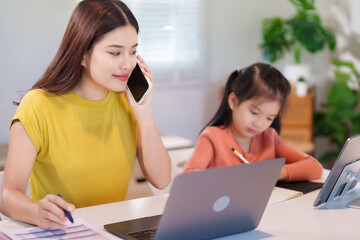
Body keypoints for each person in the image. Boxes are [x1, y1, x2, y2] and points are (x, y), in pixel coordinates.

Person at [0, 0, 171, 230]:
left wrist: (144, 114)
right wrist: (36, 212)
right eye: (115, 52)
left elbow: (161, 180)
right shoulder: (38, 106)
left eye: (133, 52)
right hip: (64, 232)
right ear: (82, 53)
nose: (128, 64)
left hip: (113, 232)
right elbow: (7, 195)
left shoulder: (128, 102)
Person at [182, 63, 323, 181]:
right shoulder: (212, 137)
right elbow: (188, 178)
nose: (259, 124)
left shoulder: (269, 137)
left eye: (269, 118)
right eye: (254, 113)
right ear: (233, 101)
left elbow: (314, 167)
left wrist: (275, 173)